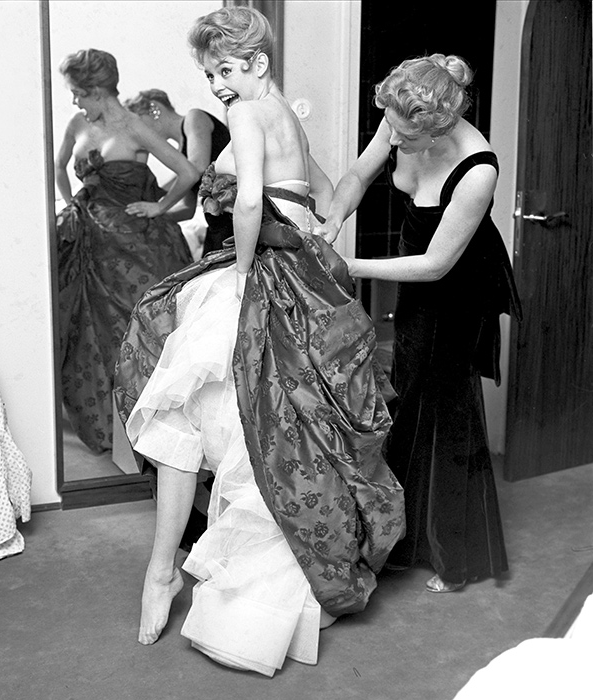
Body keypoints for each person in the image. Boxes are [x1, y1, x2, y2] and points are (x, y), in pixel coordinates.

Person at [114, 7, 405, 677]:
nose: (217, 86)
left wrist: (243, 273)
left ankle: (163, 572)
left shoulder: (246, 114)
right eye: (208, 74)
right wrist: (320, 226)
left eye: (224, 70)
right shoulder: (288, 119)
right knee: (273, 430)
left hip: (262, 275)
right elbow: (327, 197)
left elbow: (249, 203)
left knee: (185, 410)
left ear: (258, 64)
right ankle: (206, 571)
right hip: (301, 275)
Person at [315, 54, 522, 593]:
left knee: (447, 408)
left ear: (438, 128)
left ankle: (459, 557)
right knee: (409, 393)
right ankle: (404, 539)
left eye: (404, 139)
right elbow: (359, 174)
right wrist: (334, 219)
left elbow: (435, 266)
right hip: (417, 272)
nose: (393, 142)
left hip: (456, 284)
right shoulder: (402, 112)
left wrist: (348, 266)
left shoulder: (478, 169)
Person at [55, 49, 198, 453]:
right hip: (88, 243)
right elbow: (58, 165)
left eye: (77, 93)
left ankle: (146, 436)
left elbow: (188, 172)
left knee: (134, 334)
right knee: (88, 336)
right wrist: (70, 204)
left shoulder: (135, 126)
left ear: (96, 91)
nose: (74, 102)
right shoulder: (78, 123)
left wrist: (159, 206)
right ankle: (106, 430)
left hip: (134, 248)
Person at [125, 89, 232, 255]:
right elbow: (188, 209)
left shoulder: (194, 118)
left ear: (154, 109)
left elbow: (197, 168)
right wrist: (147, 218)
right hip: (218, 223)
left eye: (139, 124)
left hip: (236, 216)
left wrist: (159, 204)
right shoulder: (183, 156)